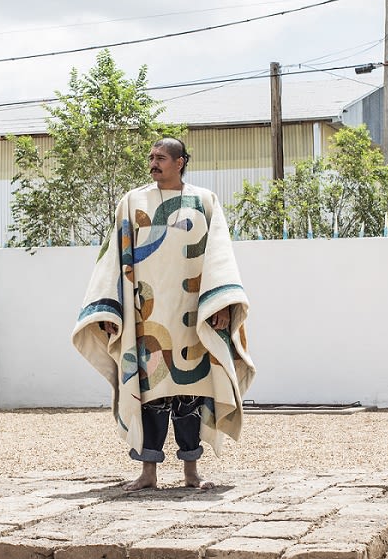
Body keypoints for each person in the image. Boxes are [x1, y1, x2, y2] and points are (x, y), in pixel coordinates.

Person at [72, 137, 255, 491]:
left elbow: (219, 257)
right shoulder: (132, 202)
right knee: (150, 394)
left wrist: (223, 306)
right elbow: (113, 256)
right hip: (145, 316)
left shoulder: (205, 201)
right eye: (151, 157)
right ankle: (147, 474)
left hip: (192, 315)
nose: (153, 163)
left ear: (180, 162)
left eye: (161, 158)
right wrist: (112, 308)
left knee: (191, 394)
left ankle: (191, 473)